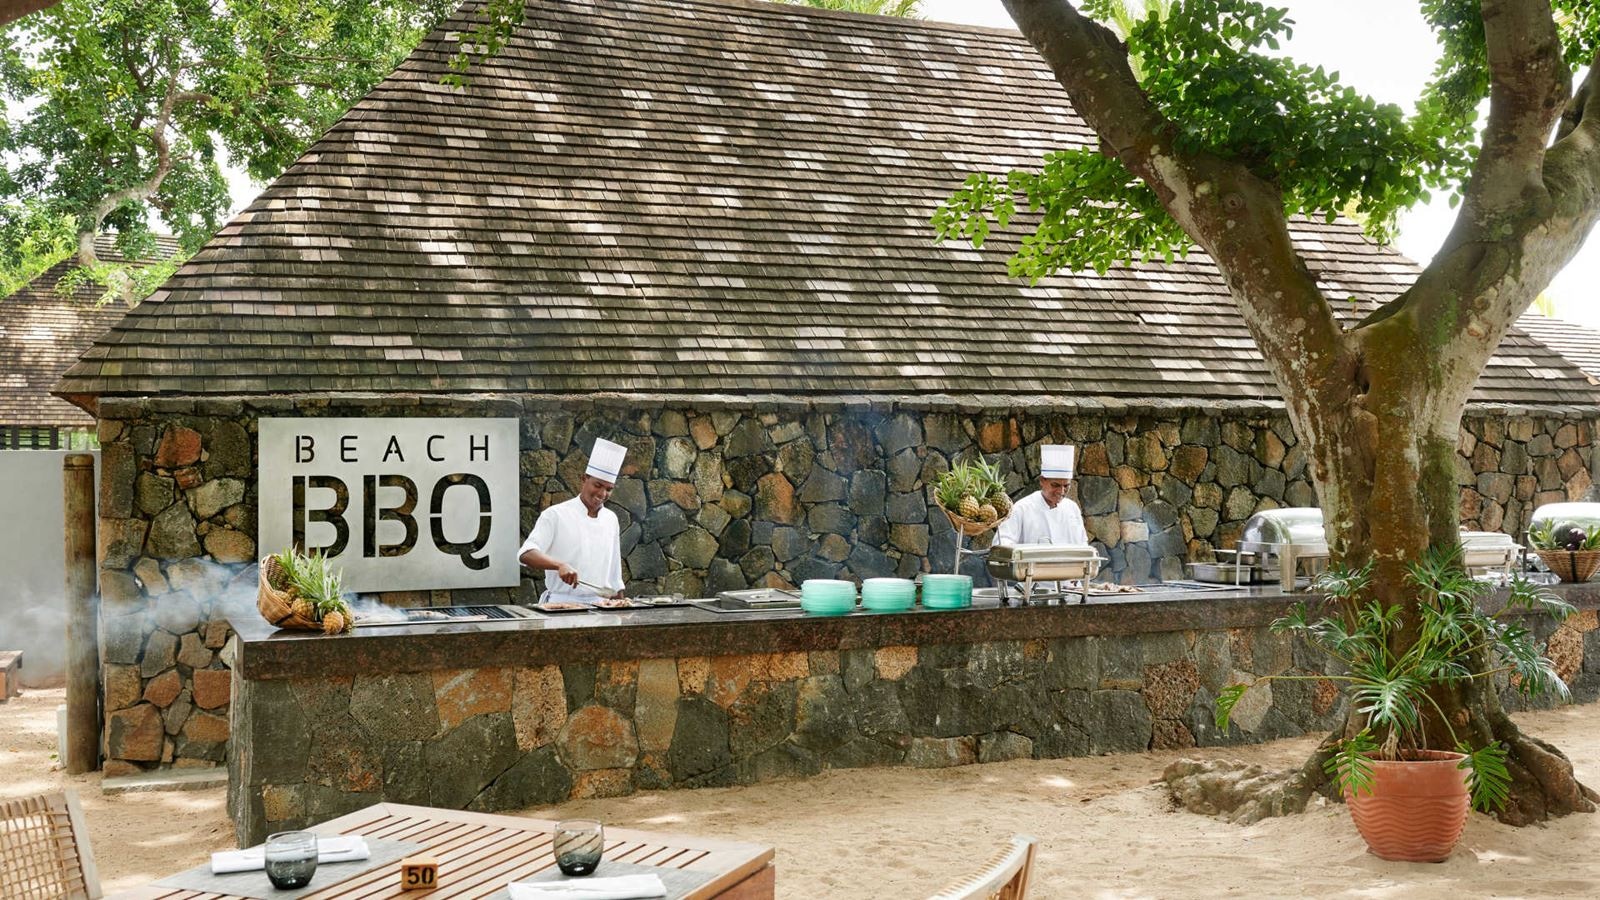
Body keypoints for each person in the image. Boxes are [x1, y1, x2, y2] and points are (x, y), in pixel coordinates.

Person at [518, 438, 627, 606]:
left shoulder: (610, 519)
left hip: (601, 607)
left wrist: (623, 606)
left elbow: (615, 574)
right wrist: (559, 565)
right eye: (598, 485)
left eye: (609, 489)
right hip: (562, 605)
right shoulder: (555, 515)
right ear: (584, 479)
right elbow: (526, 554)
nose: (602, 494)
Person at [994, 444, 1089, 597]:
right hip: (1033, 591)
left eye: (1066, 486)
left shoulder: (1072, 508)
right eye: (1055, 485)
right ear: (1042, 481)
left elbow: (1083, 546)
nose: (1061, 491)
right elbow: (1001, 544)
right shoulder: (1022, 508)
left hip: (1072, 589)